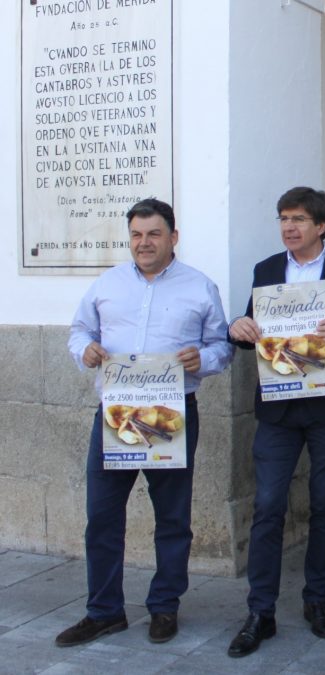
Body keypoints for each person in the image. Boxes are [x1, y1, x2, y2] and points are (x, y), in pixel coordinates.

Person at [60, 198, 233, 647]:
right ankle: (104, 611)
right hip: (115, 415)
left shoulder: (199, 287)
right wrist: (87, 351)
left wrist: (205, 357)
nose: (144, 242)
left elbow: (222, 346)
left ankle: (164, 607)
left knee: (172, 517)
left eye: (153, 234)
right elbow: (79, 331)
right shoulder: (107, 284)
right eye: (136, 234)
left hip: (171, 413)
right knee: (101, 515)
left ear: (173, 237)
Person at [226, 187, 325, 657]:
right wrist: (239, 329)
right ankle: (259, 611)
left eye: (299, 219)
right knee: (268, 505)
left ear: (321, 226)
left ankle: (317, 602)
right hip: (279, 408)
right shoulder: (266, 270)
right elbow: (253, 330)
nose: (289, 227)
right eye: (283, 218)